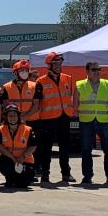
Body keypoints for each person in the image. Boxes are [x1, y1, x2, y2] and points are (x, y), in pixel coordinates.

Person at [32, 52, 76, 184]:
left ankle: (66, 174)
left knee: (65, 148)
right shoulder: (40, 81)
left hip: (65, 117)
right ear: (49, 65)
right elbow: (37, 103)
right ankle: (45, 174)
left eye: (60, 63)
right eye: (55, 63)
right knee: (46, 148)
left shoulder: (68, 78)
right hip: (48, 119)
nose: (58, 66)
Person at [73, 62, 108, 185]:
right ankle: (87, 176)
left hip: (103, 121)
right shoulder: (80, 85)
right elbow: (75, 104)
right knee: (86, 150)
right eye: (94, 70)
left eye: (99, 69)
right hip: (86, 121)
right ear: (87, 71)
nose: (97, 72)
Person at [0, 104, 37, 188]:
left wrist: (22, 157)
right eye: (10, 115)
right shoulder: (0, 129)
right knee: (1, 161)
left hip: (25, 161)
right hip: (9, 160)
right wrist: (13, 159)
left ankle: (17, 179)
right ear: (6, 117)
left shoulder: (28, 129)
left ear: (18, 116)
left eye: (14, 115)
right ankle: (10, 178)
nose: (12, 117)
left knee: (23, 184)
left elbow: (33, 146)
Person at [1, 60, 40, 126]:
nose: (24, 72)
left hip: (33, 121)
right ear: (15, 72)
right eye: (21, 70)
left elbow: (36, 105)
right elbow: (5, 106)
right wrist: (17, 117)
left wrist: (25, 117)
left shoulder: (35, 86)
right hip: (14, 122)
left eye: (26, 70)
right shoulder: (6, 87)